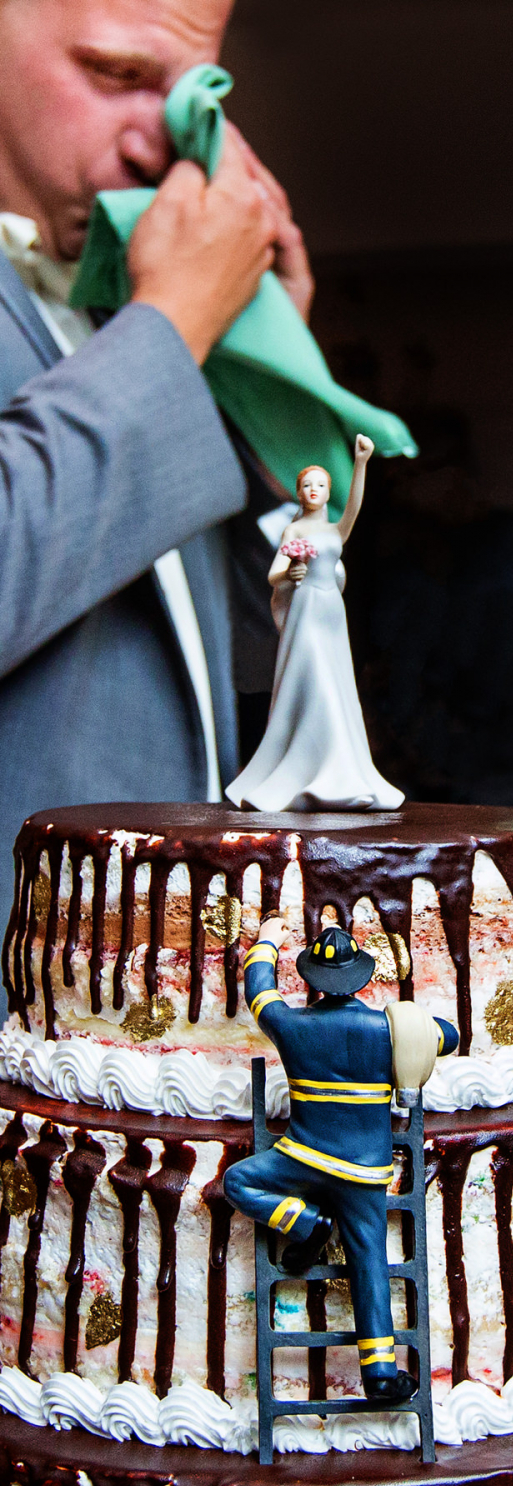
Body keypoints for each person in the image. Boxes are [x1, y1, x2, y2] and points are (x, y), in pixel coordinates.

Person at [0, 0, 315, 946]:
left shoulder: (118, 318)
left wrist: (259, 386)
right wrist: (173, 326)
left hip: (135, 1028)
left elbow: (234, 680)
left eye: (187, 99)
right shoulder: (152, 329)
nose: (162, 147)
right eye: (116, 75)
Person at [224, 916, 460, 1401]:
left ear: (311, 978)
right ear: (362, 976)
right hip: (365, 1169)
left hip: (302, 1157)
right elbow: (450, 1036)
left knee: (238, 1183)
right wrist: (414, 1025)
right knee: (370, 1261)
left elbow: (259, 992)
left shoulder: (291, 1025)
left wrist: (268, 939)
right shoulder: (384, 1031)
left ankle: (305, 1222)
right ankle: (380, 1374)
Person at [226, 442, 405, 812]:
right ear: (300, 492)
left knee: (337, 685)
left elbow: (354, 506)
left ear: (326, 493)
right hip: (305, 612)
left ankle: (342, 771)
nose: (313, 491)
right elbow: (273, 574)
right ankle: (311, 770)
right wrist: (291, 572)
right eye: (307, 485)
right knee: (315, 682)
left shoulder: (336, 531)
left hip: (330, 612)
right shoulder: (293, 534)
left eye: (320, 486)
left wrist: (360, 463)